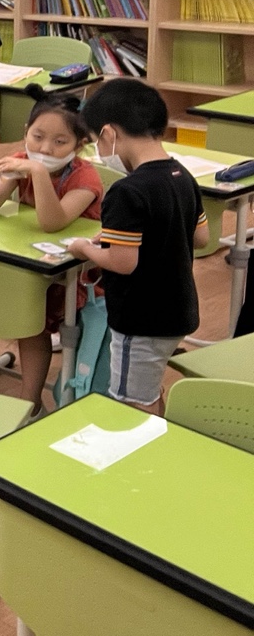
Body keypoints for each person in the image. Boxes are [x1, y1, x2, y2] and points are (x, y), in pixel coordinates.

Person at [66, 80, 208, 414]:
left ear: (109, 133)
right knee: (146, 388)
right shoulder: (182, 175)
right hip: (179, 310)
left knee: (132, 401)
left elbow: (122, 262)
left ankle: (151, 444)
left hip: (142, 319)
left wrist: (84, 249)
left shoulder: (127, 191)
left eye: (97, 142)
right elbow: (201, 238)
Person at [0, 87, 103, 412]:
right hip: (30, 263)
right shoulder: (22, 162)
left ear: (79, 146)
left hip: (76, 276)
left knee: (33, 326)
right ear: (25, 132)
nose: (45, 148)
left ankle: (30, 404)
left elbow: (51, 222)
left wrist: (39, 172)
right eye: (38, 137)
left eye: (60, 142)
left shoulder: (85, 178)